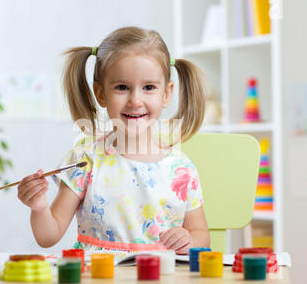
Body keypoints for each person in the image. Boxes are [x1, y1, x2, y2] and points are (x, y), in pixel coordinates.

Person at [17, 26, 210, 255]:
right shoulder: (85, 160)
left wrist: (189, 239)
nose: (135, 100)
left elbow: (201, 234)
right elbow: (48, 236)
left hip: (159, 280)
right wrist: (39, 206)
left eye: (149, 87)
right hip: (97, 280)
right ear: (101, 94)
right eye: (122, 87)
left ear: (166, 94)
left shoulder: (182, 169)